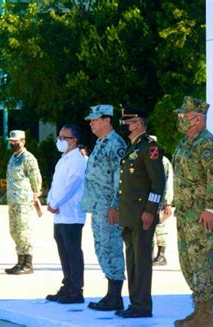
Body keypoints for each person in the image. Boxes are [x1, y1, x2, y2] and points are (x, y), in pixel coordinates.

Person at [172, 96, 213, 327]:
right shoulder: (186, 142)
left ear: (198, 118)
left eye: (185, 115)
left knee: (202, 262)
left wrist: (210, 208)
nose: (181, 119)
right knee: (188, 262)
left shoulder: (207, 143)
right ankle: (198, 309)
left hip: (201, 215)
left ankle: (206, 314)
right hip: (185, 213)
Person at [116, 105, 165, 318]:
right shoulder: (132, 147)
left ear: (138, 123)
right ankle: (135, 303)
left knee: (142, 261)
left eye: (127, 122)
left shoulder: (149, 148)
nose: (124, 126)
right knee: (133, 261)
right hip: (129, 214)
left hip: (142, 215)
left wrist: (150, 210)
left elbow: (158, 183)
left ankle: (143, 305)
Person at [82, 104, 126, 312]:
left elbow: (120, 178)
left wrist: (115, 206)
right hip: (97, 206)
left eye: (95, 119)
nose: (91, 123)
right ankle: (110, 294)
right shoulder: (100, 142)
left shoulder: (115, 143)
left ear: (107, 120)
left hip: (109, 207)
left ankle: (115, 296)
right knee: (101, 247)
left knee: (112, 248)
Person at [46, 125, 87, 304]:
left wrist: (55, 203)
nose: (60, 140)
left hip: (72, 213)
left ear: (74, 140)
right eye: (59, 137)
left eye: (64, 138)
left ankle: (76, 290)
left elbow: (72, 185)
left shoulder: (78, 159)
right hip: (59, 214)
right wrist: (49, 200)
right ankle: (67, 285)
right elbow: (56, 184)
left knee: (73, 251)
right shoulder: (63, 159)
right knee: (63, 251)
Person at [5, 130, 42, 275]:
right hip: (13, 201)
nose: (13, 143)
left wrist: (35, 193)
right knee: (15, 232)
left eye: (16, 141)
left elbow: (35, 178)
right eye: (11, 141)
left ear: (23, 141)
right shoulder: (13, 158)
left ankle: (28, 263)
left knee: (24, 231)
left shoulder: (28, 158)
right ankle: (20, 261)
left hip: (23, 201)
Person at [149, 135, 174, 266]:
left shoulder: (163, 161)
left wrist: (167, 202)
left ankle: (161, 255)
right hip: (148, 200)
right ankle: (150, 254)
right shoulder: (147, 159)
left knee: (160, 227)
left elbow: (168, 182)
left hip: (160, 201)